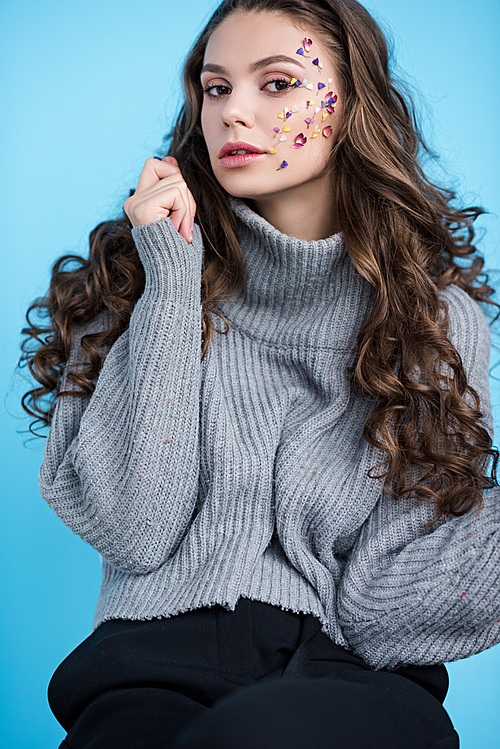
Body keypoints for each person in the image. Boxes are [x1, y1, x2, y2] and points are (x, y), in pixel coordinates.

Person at [19, 1, 500, 747]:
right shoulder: (133, 282)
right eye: (216, 89)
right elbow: (136, 530)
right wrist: (172, 282)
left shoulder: (433, 322)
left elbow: (388, 610)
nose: (233, 113)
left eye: (276, 84)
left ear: (351, 109)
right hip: (154, 661)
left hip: (354, 675)